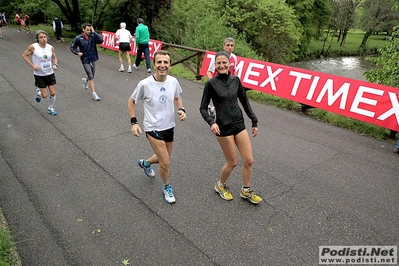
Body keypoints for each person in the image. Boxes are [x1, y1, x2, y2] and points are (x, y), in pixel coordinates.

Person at [199, 50, 262, 205]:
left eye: (224, 62)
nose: (221, 65)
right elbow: (203, 107)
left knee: (249, 160)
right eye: (218, 63)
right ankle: (220, 185)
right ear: (215, 65)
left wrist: (254, 121)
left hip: (239, 125)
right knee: (232, 162)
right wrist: (211, 122)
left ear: (229, 64)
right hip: (222, 128)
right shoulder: (211, 84)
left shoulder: (236, 80)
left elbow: (245, 102)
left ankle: (246, 190)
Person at [128, 50, 186, 204]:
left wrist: (181, 109)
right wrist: (134, 122)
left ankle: (145, 163)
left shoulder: (173, 81)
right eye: (159, 62)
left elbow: (177, 97)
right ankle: (167, 187)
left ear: (170, 65)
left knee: (163, 158)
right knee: (165, 162)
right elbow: (131, 101)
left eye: (165, 62)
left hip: (169, 127)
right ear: (154, 64)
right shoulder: (145, 84)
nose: (162, 65)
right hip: (152, 128)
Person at [22, 30, 59, 115]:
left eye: (45, 37)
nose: (43, 39)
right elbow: (24, 55)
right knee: (44, 95)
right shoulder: (33, 47)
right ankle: (38, 91)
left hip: (50, 73)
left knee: (53, 93)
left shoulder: (50, 47)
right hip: (39, 74)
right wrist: (33, 66)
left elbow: (54, 57)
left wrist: (56, 64)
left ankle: (51, 108)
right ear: (37, 39)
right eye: (41, 37)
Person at [206, 37, 238, 119]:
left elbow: (234, 71)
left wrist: (235, 83)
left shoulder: (234, 57)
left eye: (232, 45)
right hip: (218, 82)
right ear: (223, 46)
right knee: (223, 103)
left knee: (226, 102)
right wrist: (213, 84)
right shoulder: (217, 58)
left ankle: (213, 110)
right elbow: (209, 72)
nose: (230, 47)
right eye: (228, 45)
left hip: (229, 84)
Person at [70, 23, 104, 101]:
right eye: (87, 30)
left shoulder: (93, 36)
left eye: (90, 30)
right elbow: (72, 47)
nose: (89, 31)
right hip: (85, 59)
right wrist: (77, 53)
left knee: (92, 75)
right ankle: (94, 93)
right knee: (90, 75)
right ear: (83, 29)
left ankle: (85, 81)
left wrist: (94, 32)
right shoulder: (78, 38)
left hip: (92, 58)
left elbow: (101, 40)